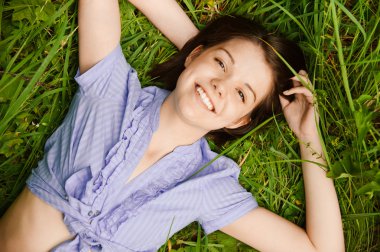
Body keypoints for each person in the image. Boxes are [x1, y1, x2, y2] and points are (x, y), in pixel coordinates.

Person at [0, 0, 345, 251]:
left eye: (242, 93)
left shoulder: (208, 186)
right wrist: (197, 49)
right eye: (221, 64)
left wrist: (307, 137)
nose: (221, 85)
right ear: (194, 56)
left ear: (241, 120)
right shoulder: (110, 90)